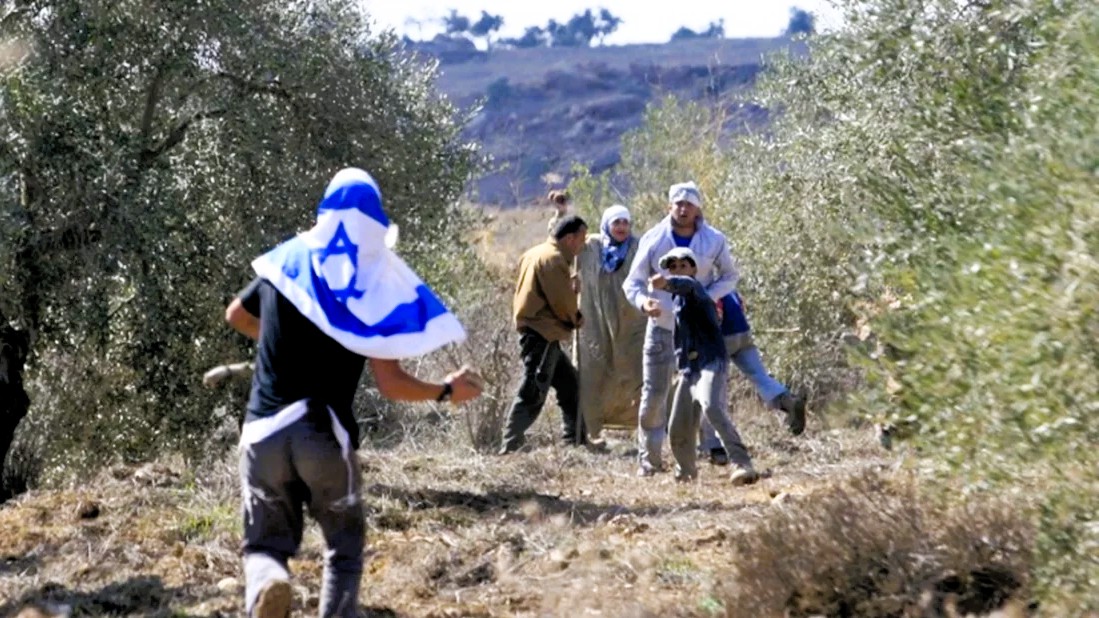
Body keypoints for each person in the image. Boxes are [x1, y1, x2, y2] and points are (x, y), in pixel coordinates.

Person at [223, 168, 483, 618]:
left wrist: (275, 344)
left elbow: (236, 315)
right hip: (323, 436)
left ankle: (270, 582)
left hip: (263, 430)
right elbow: (391, 383)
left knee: (264, 544)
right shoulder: (375, 283)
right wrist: (445, 391)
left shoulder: (285, 260)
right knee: (343, 548)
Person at [623, 181, 737, 475]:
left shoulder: (713, 240)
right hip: (661, 326)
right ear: (669, 206)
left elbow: (729, 277)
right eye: (678, 204)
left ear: (699, 207)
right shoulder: (653, 239)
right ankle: (649, 459)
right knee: (654, 393)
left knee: (708, 391)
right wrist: (642, 302)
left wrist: (703, 297)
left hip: (701, 332)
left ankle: (712, 447)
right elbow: (633, 282)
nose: (684, 209)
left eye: (689, 204)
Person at [649, 247, 760, 485]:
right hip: (690, 369)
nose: (678, 270)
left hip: (711, 362)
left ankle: (742, 463)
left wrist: (667, 282)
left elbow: (686, 285)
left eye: (683, 266)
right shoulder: (678, 302)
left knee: (711, 407)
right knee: (678, 426)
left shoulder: (698, 291)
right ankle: (686, 474)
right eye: (673, 267)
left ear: (694, 269)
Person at [500, 215, 589, 454]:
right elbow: (561, 304)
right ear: (570, 239)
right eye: (581, 240)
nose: (581, 246)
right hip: (543, 333)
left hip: (541, 333)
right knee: (534, 390)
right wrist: (576, 317)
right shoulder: (554, 259)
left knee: (570, 385)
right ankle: (510, 445)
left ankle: (576, 440)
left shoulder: (535, 253)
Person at [574, 205, 646, 443]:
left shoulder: (638, 247)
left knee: (638, 373)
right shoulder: (591, 247)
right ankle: (591, 431)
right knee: (591, 374)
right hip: (594, 321)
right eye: (616, 222)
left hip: (631, 323)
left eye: (625, 222)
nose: (621, 227)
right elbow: (563, 239)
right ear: (606, 224)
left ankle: (646, 428)